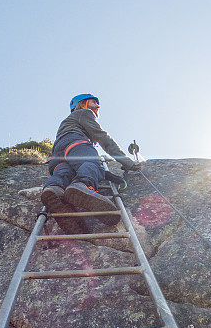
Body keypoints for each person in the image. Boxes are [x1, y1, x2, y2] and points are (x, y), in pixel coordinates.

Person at [42, 93, 139, 231]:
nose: (97, 106)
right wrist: (127, 162)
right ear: (82, 104)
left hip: (57, 154)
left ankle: (53, 190)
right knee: (93, 164)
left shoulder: (68, 122)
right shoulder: (84, 113)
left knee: (64, 173)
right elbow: (102, 137)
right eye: (93, 102)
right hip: (75, 144)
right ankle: (83, 185)